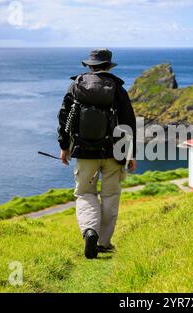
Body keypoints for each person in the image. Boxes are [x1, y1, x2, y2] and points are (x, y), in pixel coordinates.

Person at [57, 49, 137, 259]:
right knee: (110, 196)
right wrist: (131, 154)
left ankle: (89, 231)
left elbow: (65, 118)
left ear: (89, 65)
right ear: (109, 66)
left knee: (85, 194)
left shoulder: (76, 86)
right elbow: (129, 124)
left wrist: (64, 146)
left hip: (85, 152)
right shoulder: (118, 89)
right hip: (113, 154)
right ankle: (103, 242)